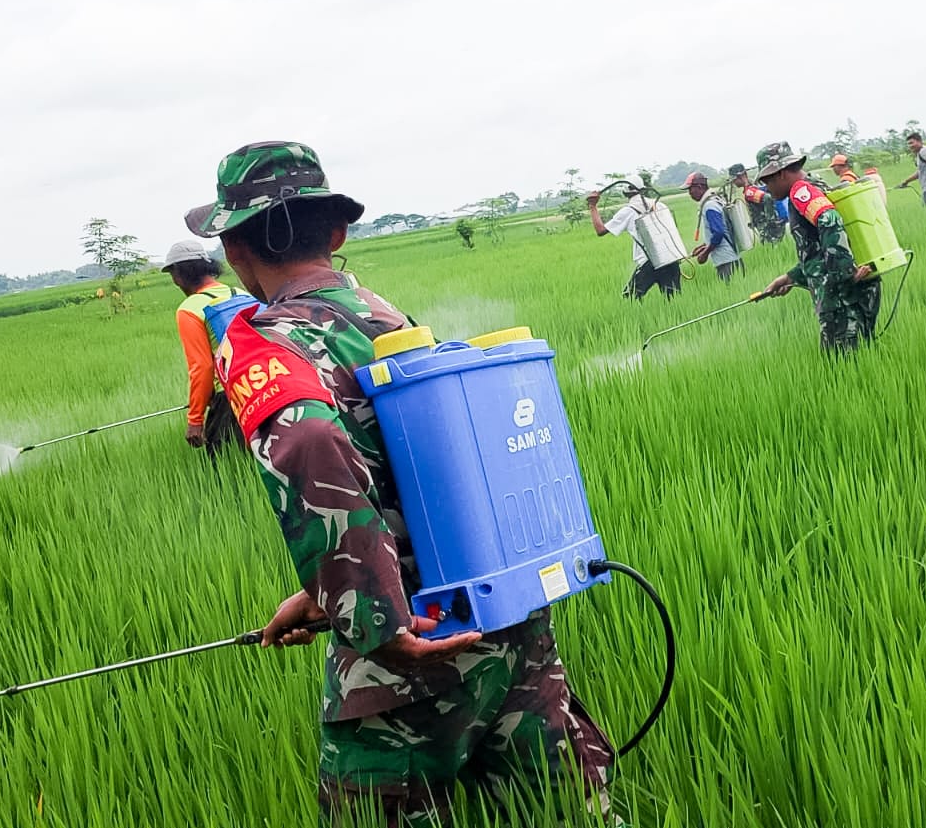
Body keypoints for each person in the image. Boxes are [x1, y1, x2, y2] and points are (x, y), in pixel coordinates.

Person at [183, 141, 616, 827]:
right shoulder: (391, 321)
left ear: (235, 249)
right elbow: (422, 474)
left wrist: (372, 616)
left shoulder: (262, 339)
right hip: (507, 618)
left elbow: (310, 441)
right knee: (559, 809)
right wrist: (322, 591)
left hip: (410, 656)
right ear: (336, 232)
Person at [756, 142, 882, 353]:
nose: (766, 188)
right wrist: (790, 277)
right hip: (853, 289)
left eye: (767, 181)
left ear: (780, 174)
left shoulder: (800, 190)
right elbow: (817, 251)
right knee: (858, 356)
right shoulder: (816, 185)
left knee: (841, 364)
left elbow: (829, 220)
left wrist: (842, 275)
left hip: (841, 297)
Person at [162, 240, 243, 454]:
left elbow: (202, 366)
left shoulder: (190, 309)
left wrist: (195, 418)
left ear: (178, 275)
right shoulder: (241, 294)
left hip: (229, 397)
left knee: (224, 470)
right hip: (266, 384)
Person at [586, 181, 683, 300]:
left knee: (630, 299)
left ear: (626, 193)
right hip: (670, 258)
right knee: (673, 301)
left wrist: (592, 206)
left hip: (649, 262)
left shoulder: (628, 211)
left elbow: (600, 230)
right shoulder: (660, 205)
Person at [685, 172, 745, 281]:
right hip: (731, 257)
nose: (689, 193)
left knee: (731, 292)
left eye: (690, 189)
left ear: (699, 187)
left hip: (726, 261)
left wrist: (705, 253)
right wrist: (704, 246)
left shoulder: (709, 206)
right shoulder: (715, 200)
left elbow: (718, 233)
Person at [727, 163, 787, 244]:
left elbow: (767, 198)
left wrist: (771, 221)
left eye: (734, 180)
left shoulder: (749, 191)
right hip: (773, 227)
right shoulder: (755, 186)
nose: (734, 183)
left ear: (740, 177)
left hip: (768, 230)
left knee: (773, 251)